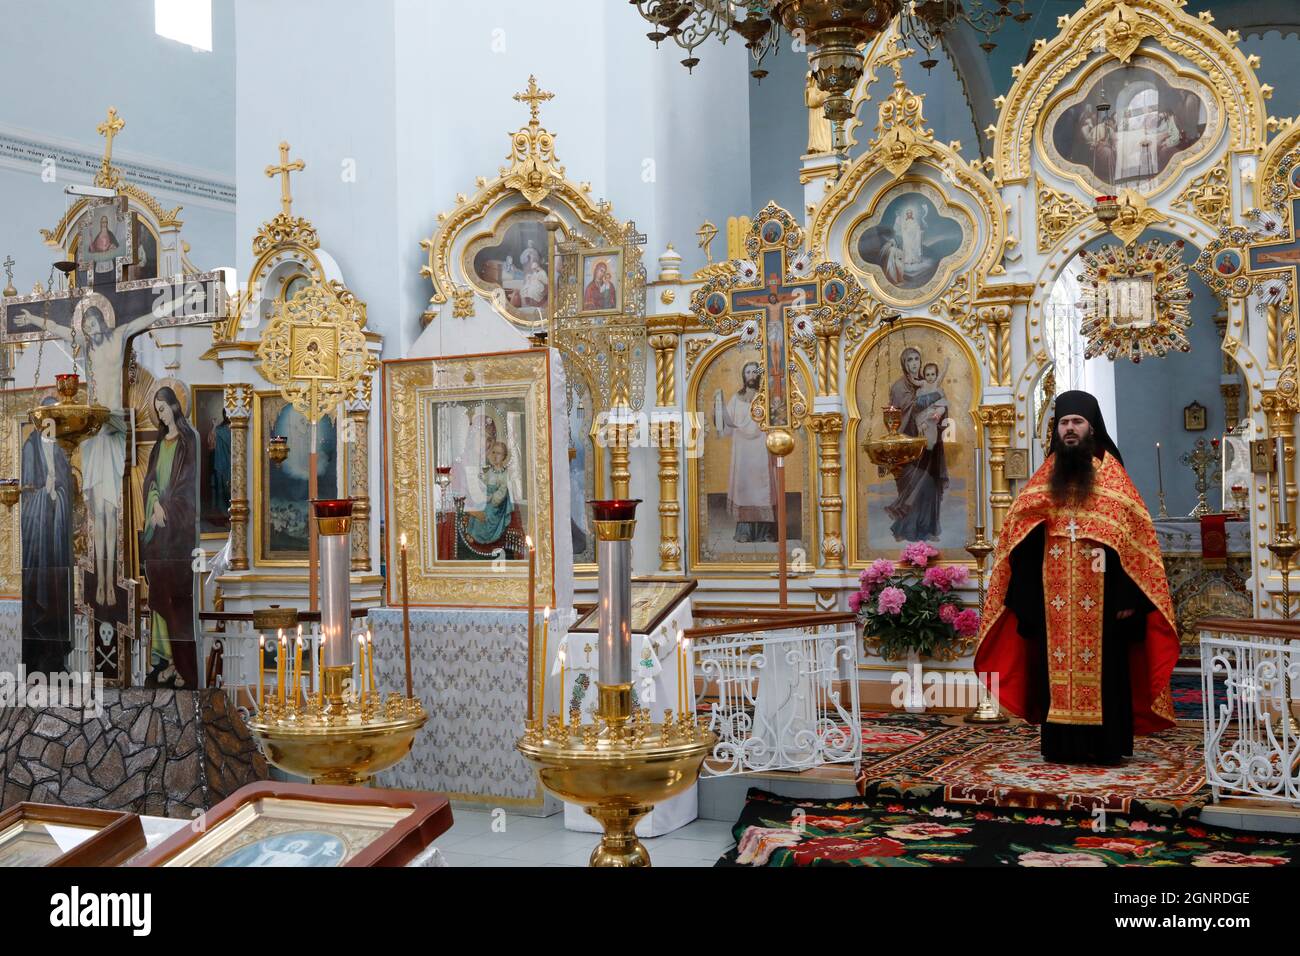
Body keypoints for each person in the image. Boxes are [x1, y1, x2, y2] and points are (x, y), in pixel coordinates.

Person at [974, 390, 1179, 764]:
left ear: (1092, 428)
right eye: (1064, 423)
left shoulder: (1114, 480)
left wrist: (1126, 598)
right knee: (1053, 675)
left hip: (1106, 602)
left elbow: (1134, 546)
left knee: (1108, 673)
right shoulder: (1045, 479)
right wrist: (1026, 597)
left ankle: (1106, 747)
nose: (1070, 429)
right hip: (1054, 604)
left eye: (1077, 423)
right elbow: (1020, 534)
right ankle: (1061, 747)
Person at [141, 386, 199, 689]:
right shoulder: (158, 446)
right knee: (158, 596)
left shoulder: (188, 442)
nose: (161, 414)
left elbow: (187, 485)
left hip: (178, 537)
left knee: (176, 599)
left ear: (176, 406)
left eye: (164, 407)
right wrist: (153, 506)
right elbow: (150, 482)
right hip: (158, 535)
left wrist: (168, 508)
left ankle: (181, 665)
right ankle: (162, 659)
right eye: (157, 409)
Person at [20, 397, 73, 674]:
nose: (53, 425)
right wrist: (44, 494)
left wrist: (57, 494)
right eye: (49, 419)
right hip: (37, 543)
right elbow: (26, 497)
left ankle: (55, 658)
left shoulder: (62, 450)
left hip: (57, 541)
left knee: (56, 596)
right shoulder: (30, 448)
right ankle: (37, 659)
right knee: (37, 595)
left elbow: (67, 490)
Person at [885, 347, 948, 541]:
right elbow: (907, 410)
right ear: (904, 364)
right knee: (911, 487)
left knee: (929, 486)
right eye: (910, 360)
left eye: (917, 359)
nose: (914, 364)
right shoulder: (899, 387)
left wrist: (939, 412)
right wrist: (937, 396)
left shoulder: (926, 381)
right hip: (908, 445)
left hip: (930, 443)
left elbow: (941, 409)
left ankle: (927, 529)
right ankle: (905, 529)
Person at [714, 361, 777, 543]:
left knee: (762, 488)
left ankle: (766, 533)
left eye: (753, 372)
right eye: (747, 372)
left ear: (758, 376)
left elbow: (774, 420)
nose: (751, 375)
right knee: (744, 488)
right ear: (743, 376)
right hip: (742, 452)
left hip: (761, 449)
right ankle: (744, 532)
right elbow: (727, 427)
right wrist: (718, 409)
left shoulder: (765, 398)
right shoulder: (736, 398)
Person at [465, 440, 515, 547]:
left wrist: (491, 498)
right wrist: (480, 479)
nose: (495, 456)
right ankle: (471, 532)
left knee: (486, 511)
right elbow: (484, 483)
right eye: (493, 452)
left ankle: (480, 536)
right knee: (477, 506)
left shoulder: (505, 474)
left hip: (497, 503)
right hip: (486, 497)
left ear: (504, 456)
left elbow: (502, 492)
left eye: (498, 453)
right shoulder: (490, 470)